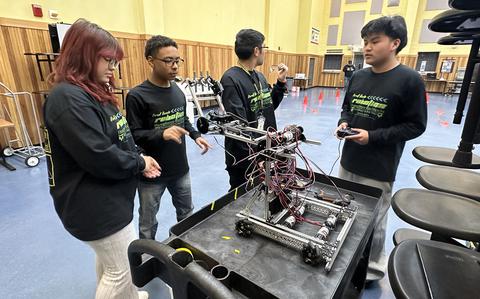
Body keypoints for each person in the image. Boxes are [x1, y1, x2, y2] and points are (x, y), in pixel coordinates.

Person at [44, 19, 160, 299]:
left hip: (109, 197)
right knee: (122, 270)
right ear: (82, 56)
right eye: (107, 60)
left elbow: (118, 138)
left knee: (112, 262)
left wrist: (139, 156)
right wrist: (139, 163)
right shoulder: (68, 99)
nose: (113, 68)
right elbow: (99, 155)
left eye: (115, 61)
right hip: (92, 205)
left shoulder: (91, 92)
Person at [335, 16, 427, 284]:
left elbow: (415, 125)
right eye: (365, 42)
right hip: (349, 160)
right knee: (344, 213)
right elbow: (347, 107)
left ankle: (372, 270)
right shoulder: (358, 76)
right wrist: (344, 122)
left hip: (379, 166)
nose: (367, 47)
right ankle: (343, 258)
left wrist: (372, 137)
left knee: (374, 224)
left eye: (375, 41)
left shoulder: (410, 80)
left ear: (394, 43)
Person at [126, 35, 212, 240]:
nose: (175, 66)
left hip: (180, 169)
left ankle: (186, 247)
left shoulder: (178, 92)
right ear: (150, 61)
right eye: (168, 61)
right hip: (152, 173)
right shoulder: (137, 96)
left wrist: (195, 135)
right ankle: (146, 260)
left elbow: (182, 119)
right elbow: (133, 136)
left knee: (186, 214)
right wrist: (161, 133)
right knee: (148, 222)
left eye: (177, 61)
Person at [221, 29, 288, 190]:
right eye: (264, 47)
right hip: (243, 157)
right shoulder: (230, 79)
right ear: (256, 51)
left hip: (264, 150)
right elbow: (239, 127)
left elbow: (268, 107)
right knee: (241, 197)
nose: (265, 52)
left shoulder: (260, 77)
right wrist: (255, 156)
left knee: (265, 195)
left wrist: (280, 83)